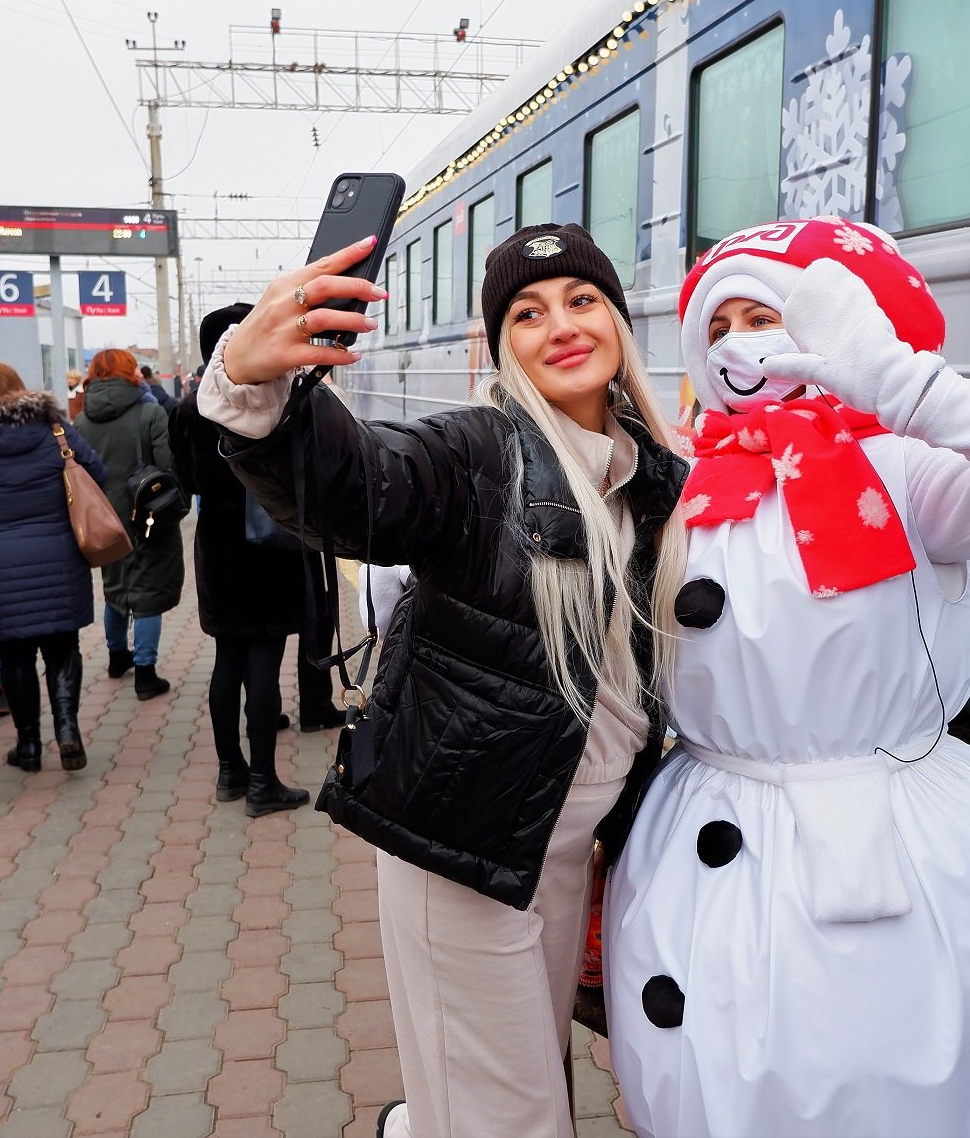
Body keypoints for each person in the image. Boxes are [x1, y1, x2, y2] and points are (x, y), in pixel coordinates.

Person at [603, 218, 970, 1137]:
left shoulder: (907, 474)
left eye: (767, 316)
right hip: (710, 813)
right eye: (720, 326)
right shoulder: (687, 479)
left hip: (876, 842)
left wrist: (894, 380)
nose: (740, 343)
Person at [199, 225, 691, 1138]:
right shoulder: (479, 451)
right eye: (528, 313)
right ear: (501, 344)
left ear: (619, 320)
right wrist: (251, 374)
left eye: (582, 301)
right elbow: (359, 485)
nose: (561, 326)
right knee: (509, 1117)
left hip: (553, 843)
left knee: (509, 1091)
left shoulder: (651, 475)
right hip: (461, 844)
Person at [169, 302, 312, 814]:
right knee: (265, 667)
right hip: (270, 544)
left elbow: (185, 480)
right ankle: (263, 783)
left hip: (218, 543)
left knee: (227, 661)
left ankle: (230, 772)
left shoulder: (189, 408)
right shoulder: (278, 402)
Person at [0, 362, 106, 775]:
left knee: (14, 654)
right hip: (60, 556)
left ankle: (28, 745)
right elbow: (96, 474)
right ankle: (68, 730)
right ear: (18, 386)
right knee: (63, 647)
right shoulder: (54, 430)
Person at [76, 349, 185, 700]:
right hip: (147, 516)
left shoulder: (81, 420)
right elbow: (168, 462)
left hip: (103, 520)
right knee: (147, 593)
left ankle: (115, 656)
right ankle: (146, 672)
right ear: (129, 373)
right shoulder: (150, 412)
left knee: (115, 589)